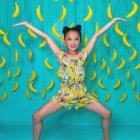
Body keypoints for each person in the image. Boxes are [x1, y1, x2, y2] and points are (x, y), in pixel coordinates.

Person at [13, 17, 126, 140]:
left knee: (107, 114)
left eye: (76, 39)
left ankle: (106, 139)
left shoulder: (84, 55)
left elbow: (97, 35)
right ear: (65, 41)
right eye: (69, 39)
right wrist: (26, 24)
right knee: (36, 117)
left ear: (80, 41)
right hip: (64, 96)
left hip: (82, 96)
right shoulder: (60, 55)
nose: (73, 42)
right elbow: (46, 37)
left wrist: (113, 20)